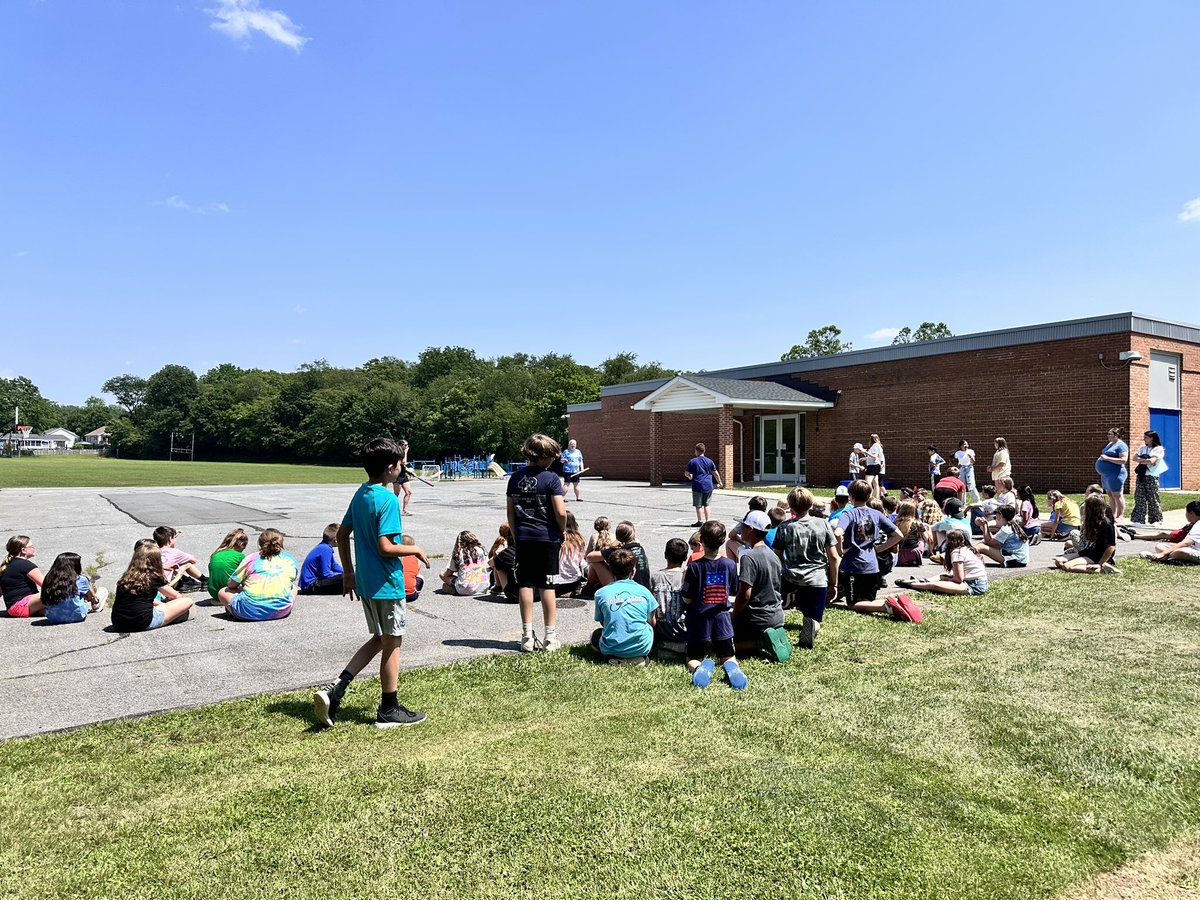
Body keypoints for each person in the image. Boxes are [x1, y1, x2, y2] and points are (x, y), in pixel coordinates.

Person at [313, 437, 431, 730]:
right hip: (386, 582)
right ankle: (389, 709)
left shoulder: (362, 493)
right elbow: (386, 547)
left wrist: (350, 573)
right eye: (400, 465)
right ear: (391, 468)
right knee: (393, 642)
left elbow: (341, 535)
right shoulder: (388, 500)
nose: (402, 469)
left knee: (381, 638)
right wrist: (414, 549)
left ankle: (336, 689)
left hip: (366, 581)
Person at [507, 433, 568, 653]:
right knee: (547, 585)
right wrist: (561, 529)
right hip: (547, 538)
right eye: (551, 456)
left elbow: (511, 513)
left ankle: (526, 636)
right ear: (542, 456)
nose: (553, 460)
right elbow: (560, 511)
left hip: (523, 537)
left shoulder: (514, 478)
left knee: (525, 584)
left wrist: (517, 535)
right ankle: (550, 637)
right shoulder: (551, 478)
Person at [680, 521, 747, 690]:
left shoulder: (694, 567)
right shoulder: (730, 565)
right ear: (723, 540)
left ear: (701, 541)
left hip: (699, 619)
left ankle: (699, 668)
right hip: (722, 619)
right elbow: (733, 590)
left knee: (693, 657)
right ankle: (732, 668)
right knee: (728, 656)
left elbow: (687, 598)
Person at [775, 487, 839, 649]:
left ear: (790, 505)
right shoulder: (823, 524)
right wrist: (834, 583)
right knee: (816, 619)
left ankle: (790, 604)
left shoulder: (784, 527)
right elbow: (833, 557)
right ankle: (812, 626)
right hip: (817, 580)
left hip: (791, 579)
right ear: (810, 504)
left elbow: (777, 556)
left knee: (798, 606)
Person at [834, 479, 901, 612]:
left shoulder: (848, 514)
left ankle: (885, 607)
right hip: (872, 567)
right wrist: (879, 548)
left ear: (851, 497)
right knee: (867, 601)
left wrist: (840, 551)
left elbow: (837, 532)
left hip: (853, 567)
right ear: (869, 496)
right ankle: (893, 603)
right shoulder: (877, 514)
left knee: (852, 604)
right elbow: (898, 535)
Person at [731, 511, 788, 661]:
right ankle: (776, 636)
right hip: (776, 614)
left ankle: (761, 643)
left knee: (723, 645)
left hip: (758, 618)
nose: (740, 529)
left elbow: (745, 594)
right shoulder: (773, 555)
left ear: (750, 530)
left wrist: (734, 614)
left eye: (743, 526)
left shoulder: (749, 557)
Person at [590, 549, 658, 665]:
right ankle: (638, 658)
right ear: (633, 570)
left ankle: (615, 658)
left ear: (611, 570)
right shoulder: (644, 592)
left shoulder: (601, 593)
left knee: (596, 635)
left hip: (611, 649)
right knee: (649, 629)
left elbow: (603, 622)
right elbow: (652, 622)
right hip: (642, 647)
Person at [111, 539, 194, 632]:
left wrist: (162, 605)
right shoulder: (154, 577)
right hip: (142, 623)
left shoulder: (126, 577)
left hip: (118, 623)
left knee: (163, 606)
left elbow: (141, 599)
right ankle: (174, 617)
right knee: (187, 601)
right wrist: (179, 575)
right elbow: (176, 596)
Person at [217, 528, 299, 621]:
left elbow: (232, 584)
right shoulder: (290, 559)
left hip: (248, 611)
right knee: (293, 587)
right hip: (281, 610)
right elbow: (289, 581)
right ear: (281, 543)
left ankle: (234, 611)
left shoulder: (251, 558)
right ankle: (280, 605)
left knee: (222, 592)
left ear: (260, 544)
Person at [895, 530, 989, 596]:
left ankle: (912, 584)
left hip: (973, 585)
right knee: (943, 575)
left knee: (935, 586)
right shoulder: (965, 549)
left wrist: (947, 579)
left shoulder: (956, 553)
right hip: (979, 582)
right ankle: (923, 580)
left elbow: (958, 579)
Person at [1055, 495, 1119, 573]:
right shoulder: (1092, 522)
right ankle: (1089, 566)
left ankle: (1102, 569)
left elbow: (1111, 547)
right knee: (1058, 561)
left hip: (1098, 555)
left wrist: (1100, 563)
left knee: (1067, 566)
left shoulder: (1106, 524)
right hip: (1089, 552)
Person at [40, 552, 106, 625]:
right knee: (101, 590)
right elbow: (90, 597)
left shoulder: (48, 579)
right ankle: (96, 604)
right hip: (77, 616)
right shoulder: (80, 579)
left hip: (53, 617)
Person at [651, 538, 689, 656]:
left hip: (661, 632)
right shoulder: (687, 577)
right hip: (684, 633)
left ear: (665, 555)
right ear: (685, 557)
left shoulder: (655, 577)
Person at [588, 521, 652, 589]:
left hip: (625, 587)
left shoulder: (618, 550)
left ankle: (588, 588)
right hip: (644, 586)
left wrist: (611, 545)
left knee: (595, 562)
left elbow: (589, 557)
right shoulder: (639, 548)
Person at [1, 535, 44, 618]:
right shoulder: (26, 565)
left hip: (12, 609)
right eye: (31, 546)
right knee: (56, 592)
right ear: (23, 550)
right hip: (22, 606)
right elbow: (47, 585)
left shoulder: (6, 565)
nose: (34, 548)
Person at [152, 526, 206, 592]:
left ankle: (185, 581)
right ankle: (204, 580)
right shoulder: (174, 552)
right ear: (169, 540)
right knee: (187, 563)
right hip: (167, 586)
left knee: (173, 564)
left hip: (154, 583)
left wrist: (171, 537)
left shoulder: (152, 551)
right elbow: (193, 560)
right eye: (174, 538)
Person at [1131, 430, 1167, 526]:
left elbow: (1152, 461)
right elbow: (1134, 458)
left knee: (1153, 498)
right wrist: (1145, 459)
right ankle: (1138, 519)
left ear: (1152, 438)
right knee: (1139, 497)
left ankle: (1156, 520)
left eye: (1146, 437)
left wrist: (1142, 460)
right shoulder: (1142, 448)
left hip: (1151, 476)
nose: (1144, 439)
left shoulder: (1158, 449)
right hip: (1141, 476)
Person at [298, 524, 345, 595]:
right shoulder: (326, 550)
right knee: (344, 578)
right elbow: (326, 574)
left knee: (347, 577)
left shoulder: (323, 546)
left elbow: (334, 565)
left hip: (311, 584)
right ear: (335, 540)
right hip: (311, 586)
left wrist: (347, 572)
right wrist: (344, 575)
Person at [439, 531, 489, 596]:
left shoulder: (459, 553)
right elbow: (487, 567)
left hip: (465, 588)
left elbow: (448, 573)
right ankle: (453, 588)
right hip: (483, 587)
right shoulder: (481, 550)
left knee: (442, 574)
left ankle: (453, 588)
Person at [684, 443, 723, 527]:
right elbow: (715, 473)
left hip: (697, 484)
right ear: (704, 451)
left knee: (698, 505)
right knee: (707, 504)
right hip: (708, 485)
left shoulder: (693, 461)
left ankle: (700, 521)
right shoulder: (709, 461)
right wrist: (719, 482)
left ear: (696, 451)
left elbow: (686, 473)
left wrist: (689, 477)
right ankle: (708, 521)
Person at [1096, 427, 1130, 521]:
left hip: (1116, 473)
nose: (1108, 436)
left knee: (1117, 495)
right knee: (1110, 495)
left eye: (1110, 434)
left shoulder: (1121, 446)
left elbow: (1123, 460)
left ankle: (1120, 516)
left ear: (1116, 435)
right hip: (1106, 475)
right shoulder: (1111, 444)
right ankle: (1113, 515)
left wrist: (1107, 459)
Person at [208, 529, 249, 602]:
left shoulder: (215, 554)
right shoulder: (239, 556)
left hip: (213, 592)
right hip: (229, 591)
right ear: (241, 544)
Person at [725, 495, 769, 561]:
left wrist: (743, 541)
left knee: (729, 543)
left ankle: (732, 569)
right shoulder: (767, 520)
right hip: (766, 552)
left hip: (750, 553)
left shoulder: (748, 521)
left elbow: (731, 535)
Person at [554, 512, 586, 597]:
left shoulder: (553, 538)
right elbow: (580, 560)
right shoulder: (579, 539)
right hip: (573, 580)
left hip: (553, 582)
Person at [893, 500, 930, 567]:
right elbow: (927, 539)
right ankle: (917, 557)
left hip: (899, 553)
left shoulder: (896, 523)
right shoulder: (918, 523)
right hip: (913, 552)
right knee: (921, 539)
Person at [391, 438, 414, 517]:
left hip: (403, 475)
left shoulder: (403, 453)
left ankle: (405, 510)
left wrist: (409, 471)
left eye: (407, 445)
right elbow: (403, 462)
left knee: (409, 492)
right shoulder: (397, 453)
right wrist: (406, 452)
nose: (407, 446)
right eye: (405, 445)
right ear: (401, 445)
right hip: (397, 475)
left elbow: (403, 466)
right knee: (396, 494)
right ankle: (391, 509)